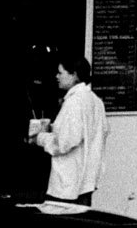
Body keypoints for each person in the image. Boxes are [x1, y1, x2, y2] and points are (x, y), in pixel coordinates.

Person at [32, 55, 108, 205]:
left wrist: (39, 138)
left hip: (67, 184)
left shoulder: (74, 102)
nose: (56, 76)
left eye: (60, 73)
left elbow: (64, 142)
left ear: (74, 75)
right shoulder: (95, 101)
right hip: (86, 182)